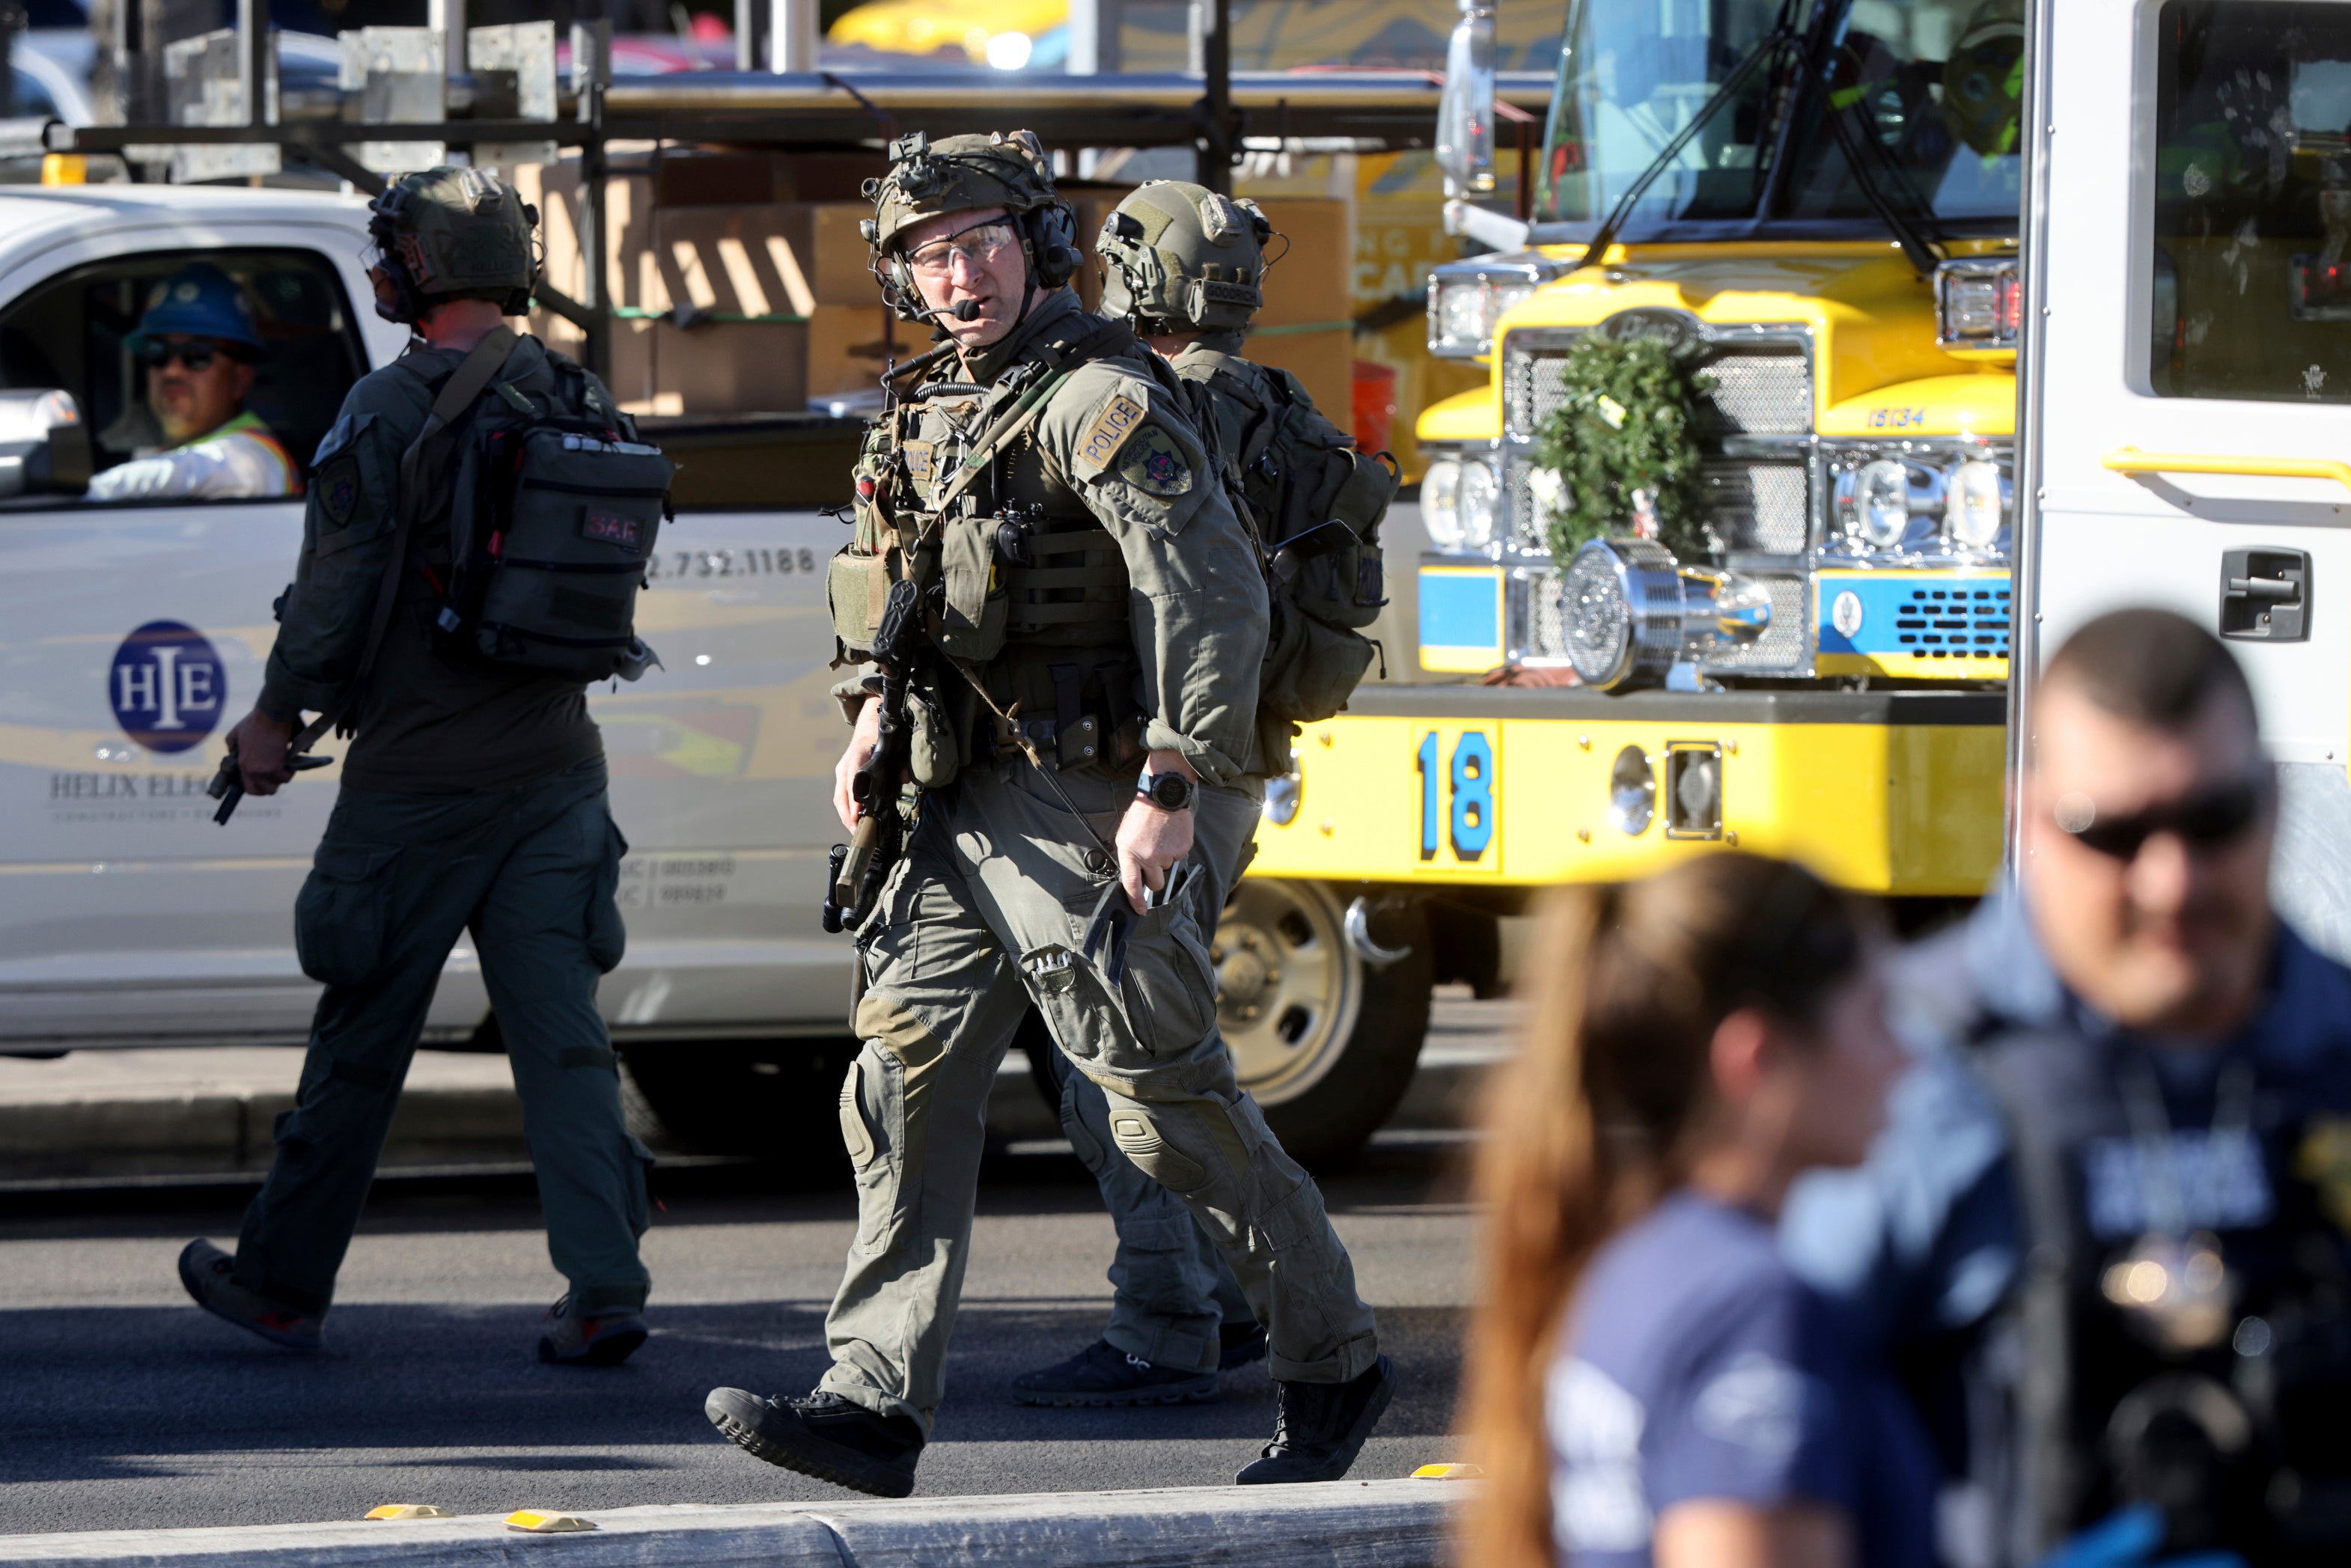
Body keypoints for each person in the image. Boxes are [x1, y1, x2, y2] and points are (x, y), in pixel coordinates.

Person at [701, 130, 1393, 1498]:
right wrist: (871, 721)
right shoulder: (931, 406)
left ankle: (1332, 1358)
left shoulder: (1098, 401)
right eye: (926, 256)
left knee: (1160, 1107)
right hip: (947, 800)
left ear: (1039, 244)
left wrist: (1169, 781)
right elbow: (897, 594)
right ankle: (873, 1399)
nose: (955, 277)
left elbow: (1211, 599)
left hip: (1082, 798)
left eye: (978, 244)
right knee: (899, 1084)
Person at [175, 167, 656, 1369]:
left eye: (391, 250)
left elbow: (335, 594)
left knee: (361, 1031)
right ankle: (604, 1286)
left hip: (417, 786)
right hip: (558, 773)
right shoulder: (580, 390)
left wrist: (275, 721)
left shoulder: (386, 409)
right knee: (563, 1040)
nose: (382, 268)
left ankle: (282, 1280)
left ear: (425, 267)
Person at [1783, 607, 2351, 1564]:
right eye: (2114, 832)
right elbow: (1763, 1431)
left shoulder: (2336, 1043)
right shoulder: (1906, 1066)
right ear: (2031, 816)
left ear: (2273, 802)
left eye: (2213, 821)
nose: (2171, 881)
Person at [1010, 177, 1396, 1408]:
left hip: (1159, 772)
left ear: (1136, 277)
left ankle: (1172, 1316)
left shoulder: (1145, 406)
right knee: (1149, 1046)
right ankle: (1218, 1302)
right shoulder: (1283, 408)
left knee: (1114, 1063)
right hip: (1239, 761)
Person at [1457, 852, 1933, 1568]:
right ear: (1756, 1057)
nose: (1904, 1059)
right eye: (1873, 1019)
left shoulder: (1626, 1263)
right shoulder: (1757, 1310)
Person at [85, 262, 300, 503]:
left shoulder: (254, 456)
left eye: (197, 354)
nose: (172, 370)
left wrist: (86, 494)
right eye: (158, 352)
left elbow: (199, 470)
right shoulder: (168, 451)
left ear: (240, 380)